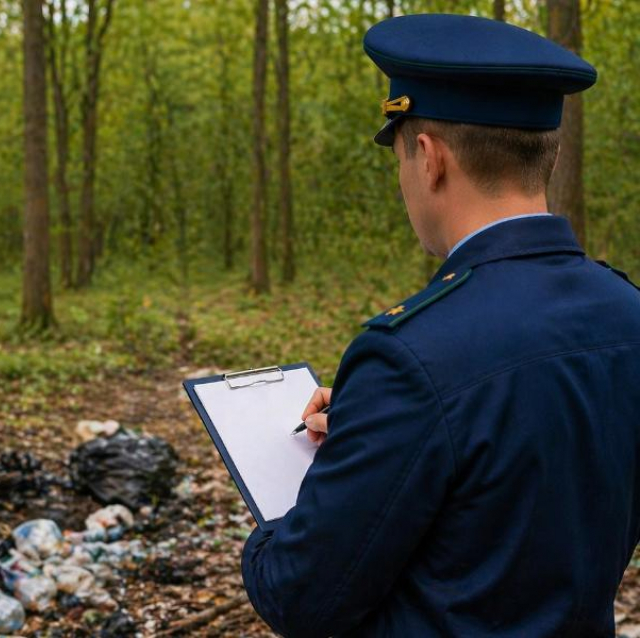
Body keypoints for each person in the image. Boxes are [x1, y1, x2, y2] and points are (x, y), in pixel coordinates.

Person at [241, 13, 640, 638]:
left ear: (427, 158)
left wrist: (277, 518)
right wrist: (378, 424)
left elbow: (300, 598)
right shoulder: (627, 313)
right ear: (552, 153)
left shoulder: (410, 357)